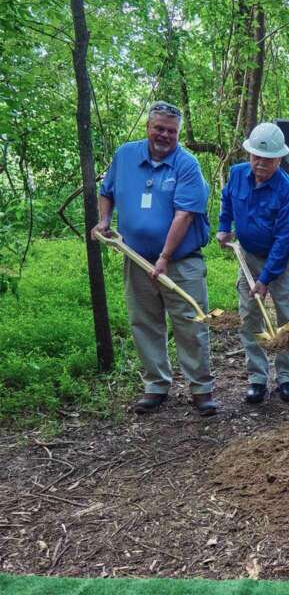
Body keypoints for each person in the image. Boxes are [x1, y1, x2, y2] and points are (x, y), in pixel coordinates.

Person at [93, 101, 217, 416]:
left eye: (171, 131)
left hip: (180, 261)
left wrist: (164, 256)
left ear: (178, 133)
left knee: (190, 322)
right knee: (144, 322)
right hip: (135, 257)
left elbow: (184, 215)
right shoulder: (124, 155)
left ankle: (201, 389)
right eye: (159, 128)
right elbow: (106, 191)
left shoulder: (187, 165)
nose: (164, 135)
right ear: (148, 127)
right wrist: (105, 221)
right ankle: (156, 385)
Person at [217, 123, 289, 405]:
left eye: (267, 159)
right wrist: (223, 226)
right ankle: (257, 379)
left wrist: (265, 279)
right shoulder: (237, 174)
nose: (260, 163)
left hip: (281, 260)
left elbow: (284, 238)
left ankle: (286, 378)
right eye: (256, 156)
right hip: (248, 255)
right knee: (250, 316)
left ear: (280, 158)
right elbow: (227, 199)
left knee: (287, 317)